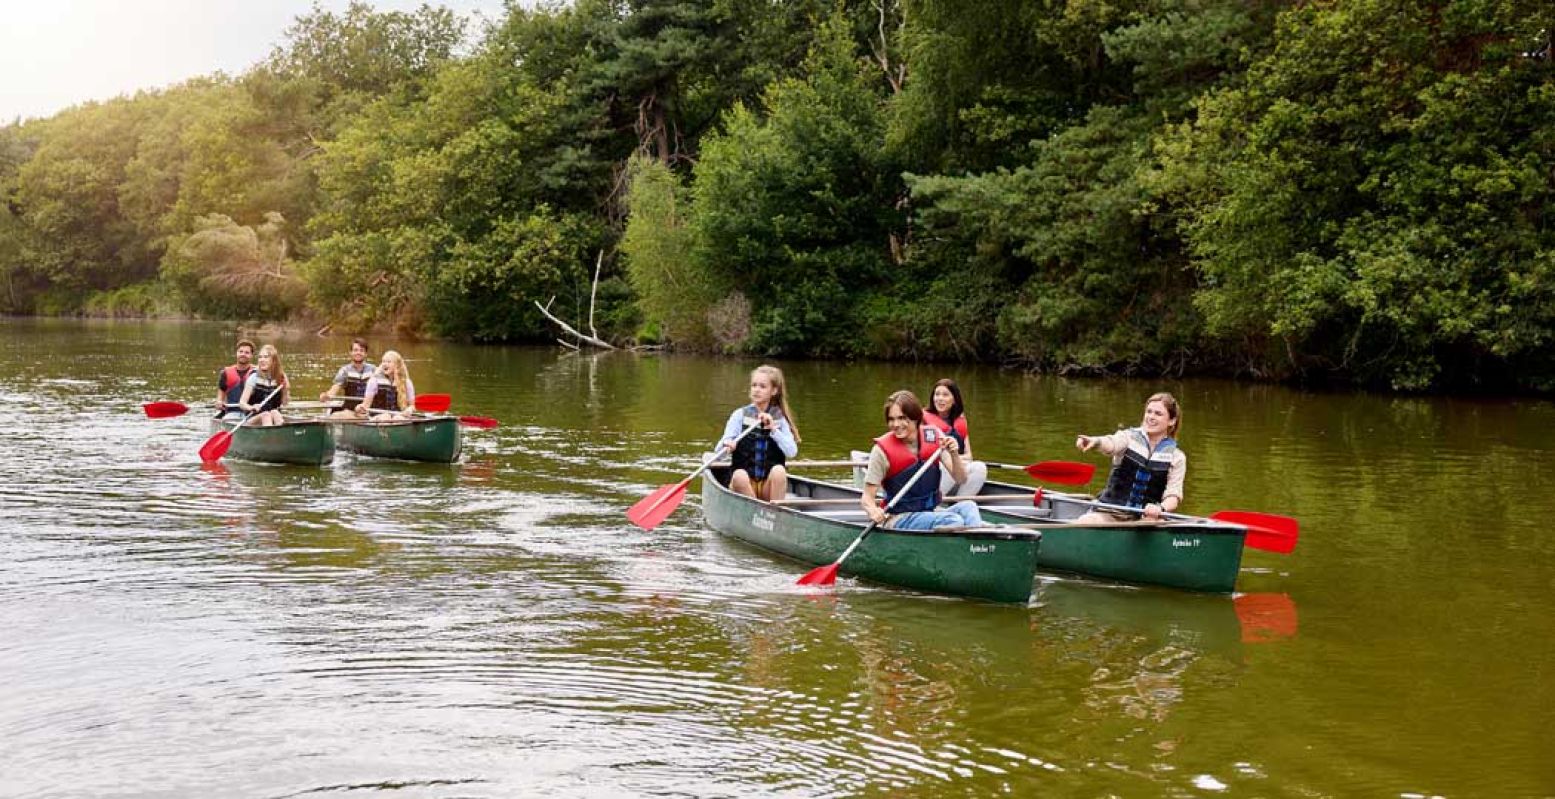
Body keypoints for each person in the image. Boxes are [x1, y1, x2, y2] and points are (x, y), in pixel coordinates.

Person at [859, 390, 984, 531]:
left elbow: (960, 479)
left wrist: (954, 454)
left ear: (916, 417)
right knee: (953, 520)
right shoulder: (881, 451)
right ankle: (967, 543)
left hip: (929, 512)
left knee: (969, 506)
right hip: (899, 517)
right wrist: (873, 511)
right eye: (891, 419)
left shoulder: (934, 436)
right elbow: (866, 499)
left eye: (902, 418)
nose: (896, 424)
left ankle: (976, 544)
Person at [1074, 392, 1186, 523]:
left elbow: (1173, 496)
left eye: (1158, 414)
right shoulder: (1128, 437)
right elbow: (1111, 443)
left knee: (1152, 522)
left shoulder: (1177, 457)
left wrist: (1160, 508)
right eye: (1149, 412)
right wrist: (1096, 442)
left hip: (1145, 518)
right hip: (1110, 512)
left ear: (1171, 421)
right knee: (1087, 521)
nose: (1151, 417)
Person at [717, 365, 801, 501]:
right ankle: (756, 512)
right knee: (739, 475)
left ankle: (775, 514)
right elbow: (718, 455)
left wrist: (774, 430)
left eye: (762, 386)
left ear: (773, 391)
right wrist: (726, 445)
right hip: (743, 487)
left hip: (767, 488)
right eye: (754, 385)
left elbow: (792, 452)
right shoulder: (739, 415)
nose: (756, 390)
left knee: (779, 471)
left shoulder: (780, 419)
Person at [923, 378, 989, 499]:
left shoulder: (960, 421)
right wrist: (952, 460)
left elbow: (969, 456)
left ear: (954, 399)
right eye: (937, 394)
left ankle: (960, 503)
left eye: (945, 395)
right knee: (948, 466)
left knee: (980, 467)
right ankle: (933, 502)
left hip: (956, 470)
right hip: (932, 472)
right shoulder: (923, 420)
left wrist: (955, 458)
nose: (940, 398)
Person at [320, 337, 375, 418]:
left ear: (366, 354)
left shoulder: (373, 370)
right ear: (351, 353)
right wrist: (326, 396)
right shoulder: (344, 370)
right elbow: (334, 390)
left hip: (368, 410)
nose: (358, 353)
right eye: (355, 350)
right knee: (335, 416)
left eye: (361, 350)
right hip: (350, 411)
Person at [236, 344, 289, 427]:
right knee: (266, 415)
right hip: (252, 418)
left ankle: (279, 436)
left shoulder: (280, 378)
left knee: (275, 412)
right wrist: (251, 407)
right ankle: (269, 438)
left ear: (273, 360)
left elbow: (285, 403)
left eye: (266, 357)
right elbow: (242, 403)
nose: (262, 360)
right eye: (260, 357)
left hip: (273, 416)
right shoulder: (254, 377)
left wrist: (286, 389)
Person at [357, 350, 415, 419]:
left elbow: (412, 406)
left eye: (388, 362)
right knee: (386, 417)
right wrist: (360, 408)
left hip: (398, 417)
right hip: (377, 417)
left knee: (398, 418)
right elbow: (366, 405)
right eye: (383, 361)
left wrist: (409, 410)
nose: (384, 364)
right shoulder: (374, 381)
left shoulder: (406, 382)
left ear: (397, 365)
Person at [215, 339, 255, 420]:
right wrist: (219, 403)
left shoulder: (257, 373)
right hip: (232, 413)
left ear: (251, 355)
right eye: (241, 351)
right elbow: (220, 398)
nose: (243, 354)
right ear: (236, 353)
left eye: (247, 352)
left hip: (252, 413)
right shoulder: (225, 373)